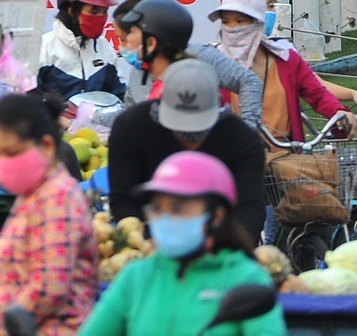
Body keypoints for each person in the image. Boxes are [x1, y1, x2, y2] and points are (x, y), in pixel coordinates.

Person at [60, 152, 286, 336]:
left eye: (178, 208)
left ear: (216, 216)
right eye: (157, 208)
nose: (164, 218)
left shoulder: (244, 275)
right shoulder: (135, 276)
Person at [0, 93, 97, 336]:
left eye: (10, 153)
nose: (1, 163)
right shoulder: (33, 195)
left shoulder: (57, 198)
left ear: (46, 146)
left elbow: (48, 288)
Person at [106, 37, 268, 243]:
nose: (189, 137)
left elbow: (250, 209)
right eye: (179, 125)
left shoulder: (242, 141)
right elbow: (123, 202)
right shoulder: (130, 129)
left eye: (198, 126)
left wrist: (218, 248)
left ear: (218, 107)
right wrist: (152, 243)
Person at [208, 0, 349, 144]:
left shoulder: (287, 59)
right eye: (226, 21)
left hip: (285, 155)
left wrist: (339, 113)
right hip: (237, 159)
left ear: (258, 22)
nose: (232, 28)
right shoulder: (214, 64)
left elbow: (317, 94)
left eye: (240, 21)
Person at [36, 0, 125, 98]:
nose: (100, 17)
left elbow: (120, 97)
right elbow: (29, 103)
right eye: (94, 11)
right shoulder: (44, 48)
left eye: (104, 12)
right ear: (71, 10)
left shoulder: (104, 48)